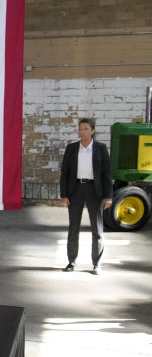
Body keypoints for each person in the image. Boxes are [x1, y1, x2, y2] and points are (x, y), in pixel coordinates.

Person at [60, 117, 113, 275]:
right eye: (80, 128)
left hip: (94, 191)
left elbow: (106, 174)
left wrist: (108, 196)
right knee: (73, 228)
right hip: (75, 190)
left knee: (97, 229)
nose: (82, 131)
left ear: (92, 131)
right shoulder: (71, 148)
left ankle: (97, 263)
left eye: (85, 129)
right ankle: (71, 261)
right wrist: (64, 194)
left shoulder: (101, 148)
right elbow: (65, 172)